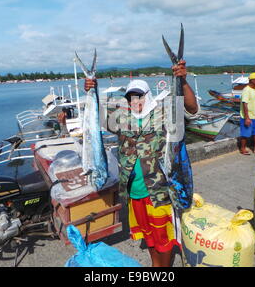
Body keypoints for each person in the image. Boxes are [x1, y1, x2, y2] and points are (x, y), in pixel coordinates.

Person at [84, 60, 198, 267]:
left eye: (140, 96)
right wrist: (91, 90)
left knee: (163, 239)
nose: (135, 101)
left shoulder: (164, 114)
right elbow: (94, 119)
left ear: (148, 96)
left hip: (159, 192)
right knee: (149, 237)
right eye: (131, 97)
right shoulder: (121, 118)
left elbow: (191, 107)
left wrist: (182, 80)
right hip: (133, 193)